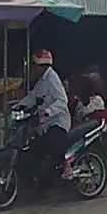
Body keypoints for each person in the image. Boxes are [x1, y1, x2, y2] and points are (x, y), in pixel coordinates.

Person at [20, 49, 71, 182]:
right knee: (33, 146)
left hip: (58, 122)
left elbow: (62, 100)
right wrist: (18, 106)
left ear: (40, 66)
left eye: (34, 65)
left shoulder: (52, 79)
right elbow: (32, 97)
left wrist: (48, 112)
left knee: (48, 145)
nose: (32, 69)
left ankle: (64, 168)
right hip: (45, 122)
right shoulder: (42, 81)